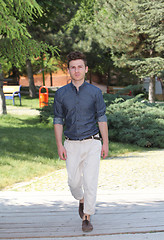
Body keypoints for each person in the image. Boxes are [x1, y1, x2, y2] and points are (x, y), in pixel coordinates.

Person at [53, 51, 109, 232]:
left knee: (91, 181)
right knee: (74, 182)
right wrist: (60, 144)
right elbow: (58, 119)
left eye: (79, 67)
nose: (76, 70)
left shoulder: (95, 92)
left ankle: (87, 217)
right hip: (71, 144)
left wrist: (105, 143)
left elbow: (101, 118)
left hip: (93, 142)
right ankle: (81, 199)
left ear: (86, 69)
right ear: (68, 70)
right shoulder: (61, 94)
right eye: (72, 67)